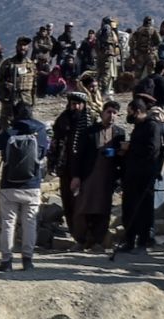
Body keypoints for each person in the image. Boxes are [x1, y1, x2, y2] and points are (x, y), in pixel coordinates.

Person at [0, 101, 52, 272]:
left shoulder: (9, 132)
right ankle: (27, 260)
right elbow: (44, 152)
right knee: (30, 223)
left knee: (8, 223)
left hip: (10, 185)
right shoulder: (40, 131)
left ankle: (6, 261)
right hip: (32, 184)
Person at [117, 95, 164, 254]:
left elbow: (151, 151)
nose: (129, 116)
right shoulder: (140, 125)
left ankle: (143, 240)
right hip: (133, 174)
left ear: (138, 111)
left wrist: (130, 147)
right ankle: (129, 240)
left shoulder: (152, 126)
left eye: (130, 112)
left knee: (143, 209)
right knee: (129, 208)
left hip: (144, 176)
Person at [73, 99, 127, 248]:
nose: (111, 115)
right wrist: (76, 176)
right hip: (89, 176)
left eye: (115, 113)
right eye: (109, 112)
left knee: (103, 209)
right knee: (83, 208)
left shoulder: (119, 133)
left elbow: (122, 155)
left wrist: (117, 152)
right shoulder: (89, 132)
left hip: (107, 178)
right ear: (102, 113)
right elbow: (79, 155)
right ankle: (81, 240)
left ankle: (97, 240)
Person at [52, 92, 96, 234]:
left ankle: (87, 233)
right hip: (66, 167)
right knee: (68, 201)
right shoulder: (63, 119)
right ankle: (74, 232)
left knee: (84, 202)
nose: (76, 107)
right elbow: (55, 143)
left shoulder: (91, 120)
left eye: (78, 104)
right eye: (73, 104)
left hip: (86, 169)